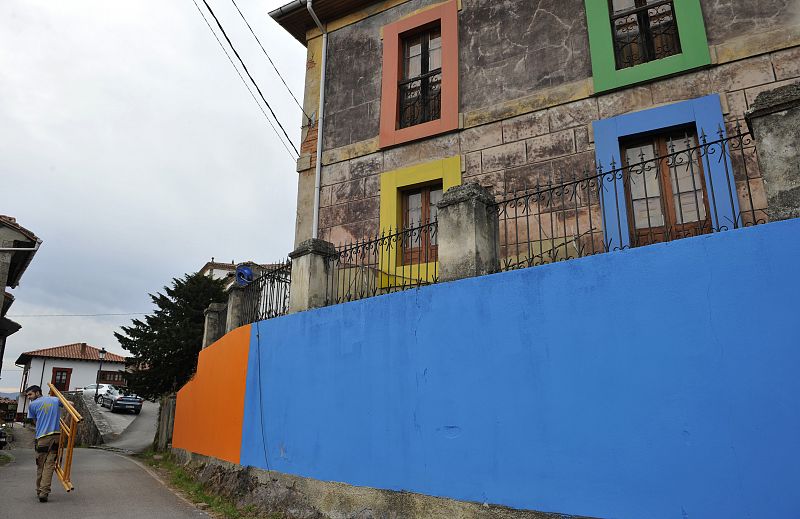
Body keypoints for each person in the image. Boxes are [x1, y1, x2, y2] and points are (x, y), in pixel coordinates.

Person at [25, 385, 62, 503]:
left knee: (41, 465)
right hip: (56, 436)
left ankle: (39, 491)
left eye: (30, 394)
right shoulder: (55, 400)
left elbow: (35, 421)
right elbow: (70, 404)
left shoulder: (32, 405)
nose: (29, 397)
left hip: (42, 438)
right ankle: (44, 492)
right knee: (50, 465)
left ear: (37, 393)